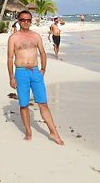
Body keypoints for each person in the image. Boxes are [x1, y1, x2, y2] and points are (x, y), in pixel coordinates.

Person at [7, 10, 64, 145]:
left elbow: (42, 53)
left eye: (28, 20)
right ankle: (28, 131)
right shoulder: (13, 38)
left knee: (43, 103)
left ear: (31, 21)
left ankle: (53, 132)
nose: (26, 22)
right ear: (18, 21)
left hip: (35, 72)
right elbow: (10, 58)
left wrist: (43, 69)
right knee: (24, 104)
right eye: (23, 20)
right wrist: (11, 77)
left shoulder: (36, 36)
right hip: (21, 73)